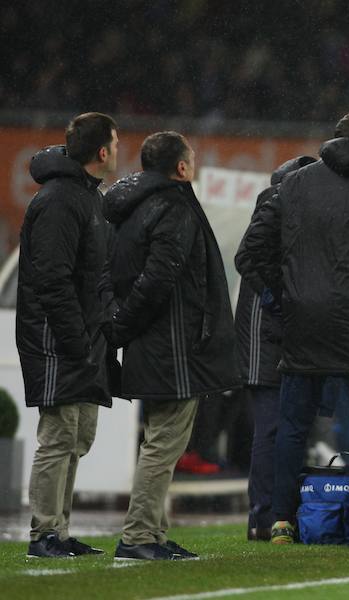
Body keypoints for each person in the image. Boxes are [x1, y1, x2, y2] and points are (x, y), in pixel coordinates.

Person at [240, 109, 349, 545]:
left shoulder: (294, 184)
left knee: (293, 422)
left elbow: (251, 252)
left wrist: (286, 295)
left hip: (304, 321)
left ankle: (281, 519)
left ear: (332, 140)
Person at [103, 131, 240, 560]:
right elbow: (160, 278)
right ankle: (139, 535)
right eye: (191, 157)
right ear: (180, 168)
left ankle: (155, 533)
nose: (194, 161)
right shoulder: (173, 207)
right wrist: (124, 323)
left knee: (160, 441)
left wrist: (123, 324)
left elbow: (122, 274)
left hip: (154, 342)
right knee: (164, 444)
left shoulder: (130, 207)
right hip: (175, 347)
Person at [17, 113, 118, 558]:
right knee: (57, 437)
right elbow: (52, 280)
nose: (118, 150)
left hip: (80, 336)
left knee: (77, 439)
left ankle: (58, 530)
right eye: (115, 143)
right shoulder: (59, 200)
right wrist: (76, 339)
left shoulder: (88, 197)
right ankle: (43, 533)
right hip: (56, 337)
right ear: (102, 151)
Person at [234, 154, 315, 541]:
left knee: (283, 428)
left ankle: (274, 513)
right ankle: (263, 516)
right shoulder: (277, 204)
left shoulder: (279, 204)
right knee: (271, 429)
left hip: (275, 331)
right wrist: (278, 300)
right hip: (264, 334)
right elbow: (248, 261)